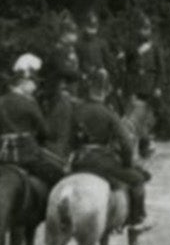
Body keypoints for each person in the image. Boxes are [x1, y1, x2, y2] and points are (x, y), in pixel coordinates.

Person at [63, 69, 151, 232]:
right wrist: (127, 163)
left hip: (79, 162)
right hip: (103, 162)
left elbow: (68, 140)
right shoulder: (108, 113)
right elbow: (125, 143)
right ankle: (137, 220)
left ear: (89, 90)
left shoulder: (77, 111)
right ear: (106, 91)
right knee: (138, 180)